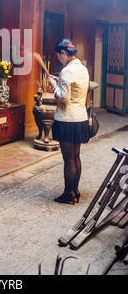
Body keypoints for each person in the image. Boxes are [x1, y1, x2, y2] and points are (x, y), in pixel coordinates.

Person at [48, 39, 89, 205]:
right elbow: (74, 92)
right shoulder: (82, 69)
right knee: (76, 156)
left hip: (67, 120)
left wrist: (53, 85)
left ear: (63, 53)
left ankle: (68, 193)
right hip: (80, 118)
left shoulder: (66, 71)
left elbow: (63, 98)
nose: (59, 59)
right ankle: (75, 191)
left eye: (59, 56)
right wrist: (60, 84)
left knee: (68, 159)